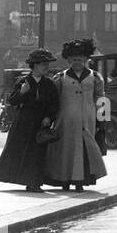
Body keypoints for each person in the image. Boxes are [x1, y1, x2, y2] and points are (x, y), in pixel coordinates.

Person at [44, 39, 108, 191]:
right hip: (65, 121)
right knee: (65, 151)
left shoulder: (96, 77)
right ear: (68, 60)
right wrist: (50, 118)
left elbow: (102, 99)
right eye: (73, 60)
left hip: (88, 120)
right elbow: (54, 100)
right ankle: (64, 180)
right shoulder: (60, 78)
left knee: (85, 149)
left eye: (80, 59)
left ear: (86, 59)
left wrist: (103, 121)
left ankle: (81, 181)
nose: (77, 62)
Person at [0, 48, 59, 192]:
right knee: (22, 151)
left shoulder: (49, 84)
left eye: (47, 64)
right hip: (24, 122)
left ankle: (35, 182)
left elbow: (55, 104)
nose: (46, 67)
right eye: (43, 64)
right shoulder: (23, 81)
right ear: (34, 65)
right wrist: (22, 92)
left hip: (41, 122)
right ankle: (22, 179)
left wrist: (49, 117)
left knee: (38, 152)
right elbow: (13, 100)